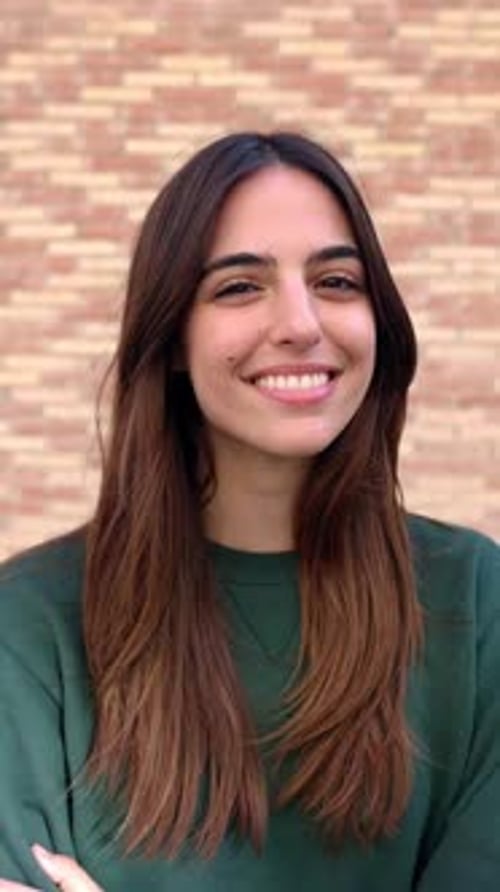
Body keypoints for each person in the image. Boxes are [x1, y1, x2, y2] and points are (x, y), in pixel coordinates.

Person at [0, 132, 498, 892]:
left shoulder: (479, 606)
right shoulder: (28, 627)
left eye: (336, 280)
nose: (300, 322)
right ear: (170, 337)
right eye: (238, 287)